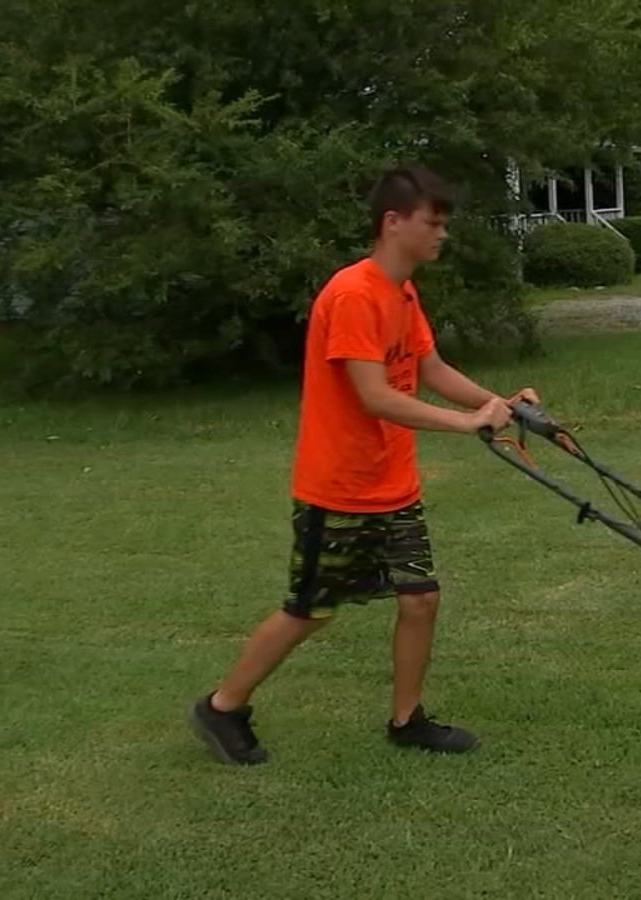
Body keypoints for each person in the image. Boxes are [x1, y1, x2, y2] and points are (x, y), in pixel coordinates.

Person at [189, 164, 535, 764]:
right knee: (310, 611)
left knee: (420, 598)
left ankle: (407, 721)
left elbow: (430, 370)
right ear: (393, 222)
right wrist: (466, 423)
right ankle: (222, 707)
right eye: (434, 223)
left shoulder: (402, 293)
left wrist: (495, 403)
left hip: (393, 484)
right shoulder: (353, 294)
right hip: (339, 489)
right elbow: (374, 395)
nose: (442, 235)